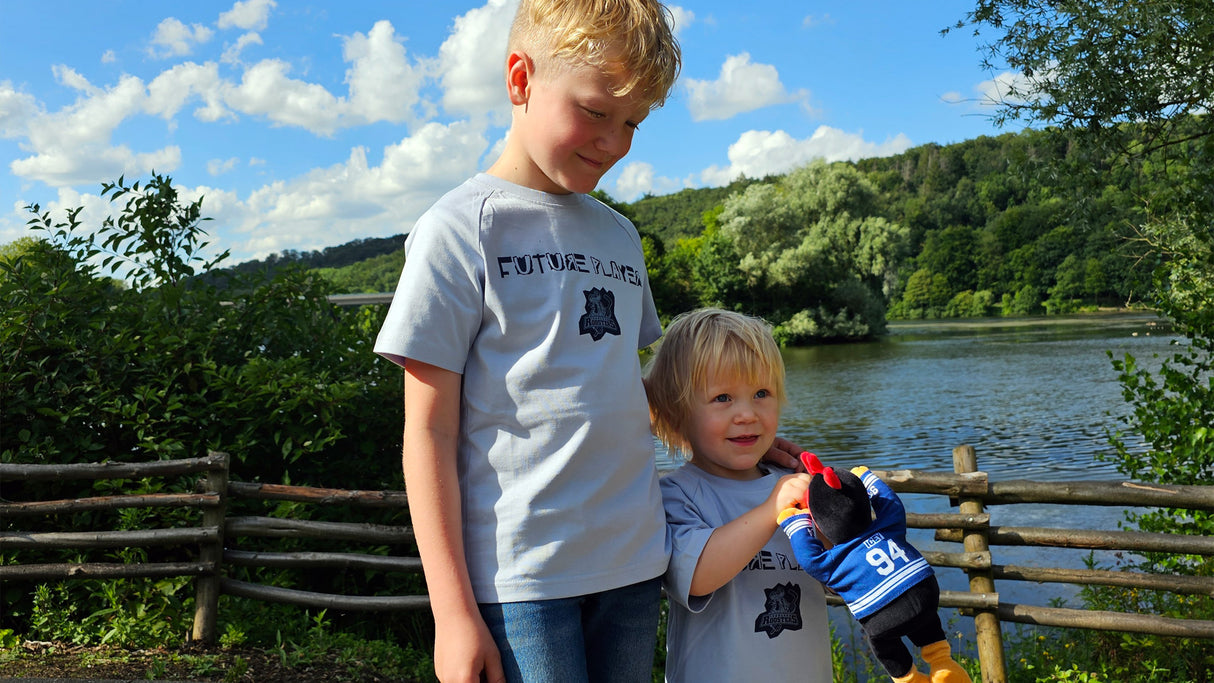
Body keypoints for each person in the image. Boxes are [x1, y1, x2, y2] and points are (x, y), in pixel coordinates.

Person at [374, 3, 800, 681]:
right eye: (597, 112)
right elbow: (427, 432)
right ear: (520, 78)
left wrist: (737, 446)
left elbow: (627, 391)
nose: (615, 140)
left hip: (634, 560)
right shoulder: (461, 229)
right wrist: (452, 612)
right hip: (523, 576)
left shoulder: (618, 235)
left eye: (633, 123)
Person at [645, 308, 833, 682]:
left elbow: (840, 570)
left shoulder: (792, 484)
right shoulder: (676, 495)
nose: (746, 413)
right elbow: (698, 576)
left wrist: (833, 511)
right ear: (678, 414)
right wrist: (771, 510)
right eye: (722, 398)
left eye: (761, 393)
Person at [778, 453, 972, 683]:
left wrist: (796, 522)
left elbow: (809, 559)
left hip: (881, 614)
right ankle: (943, 663)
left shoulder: (833, 561)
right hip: (924, 591)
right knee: (926, 620)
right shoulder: (888, 525)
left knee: (884, 643)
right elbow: (890, 501)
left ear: (817, 520)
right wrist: (868, 478)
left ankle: (908, 678)